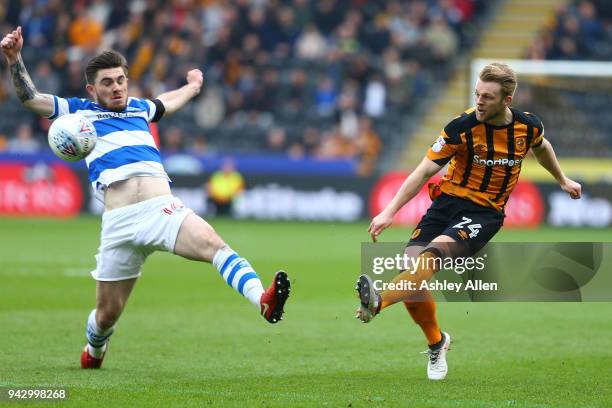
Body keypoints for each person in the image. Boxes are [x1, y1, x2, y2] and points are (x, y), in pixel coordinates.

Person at [1, 26, 291, 369]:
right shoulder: (77, 113)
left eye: (121, 80)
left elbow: (167, 101)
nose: (117, 87)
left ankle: (263, 299)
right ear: (92, 89)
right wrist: (14, 58)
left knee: (214, 243)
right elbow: (31, 98)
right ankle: (94, 349)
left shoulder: (139, 108)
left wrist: (193, 87)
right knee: (107, 315)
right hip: (119, 223)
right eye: (108, 82)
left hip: (161, 209)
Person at [355, 62, 582, 380]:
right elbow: (424, 170)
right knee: (412, 271)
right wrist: (390, 211)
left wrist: (562, 179)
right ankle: (437, 343)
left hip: (484, 213)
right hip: (446, 205)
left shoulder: (527, 127)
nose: (479, 101)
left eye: (487, 97)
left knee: (430, 258)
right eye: (477, 94)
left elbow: (541, 148)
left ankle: (377, 303)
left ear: (507, 100)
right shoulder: (460, 127)